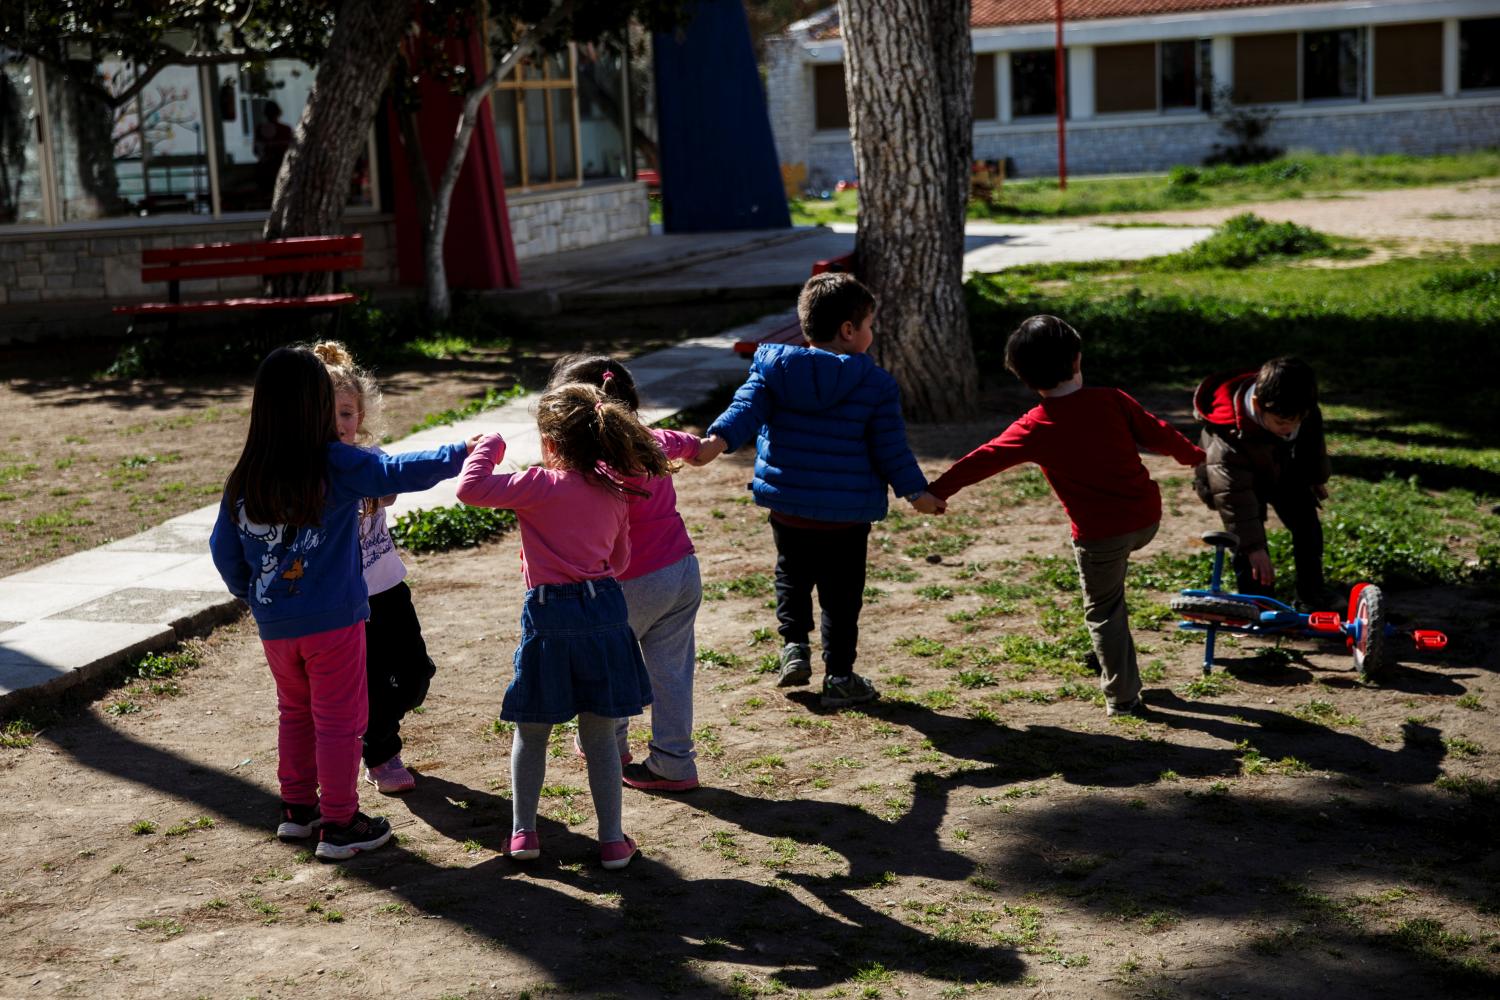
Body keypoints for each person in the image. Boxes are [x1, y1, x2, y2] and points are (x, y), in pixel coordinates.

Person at [209, 347, 473, 860]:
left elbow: (223, 549)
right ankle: (341, 823)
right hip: (334, 623)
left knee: (295, 713)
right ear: (313, 406)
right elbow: (397, 471)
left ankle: (298, 812)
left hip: (275, 623)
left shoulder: (245, 474)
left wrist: (253, 594)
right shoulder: (334, 461)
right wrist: (462, 451)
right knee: (339, 721)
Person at [926, 315, 1205, 717]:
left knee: (1105, 610)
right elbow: (1160, 433)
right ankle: (1117, 667)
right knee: (1113, 596)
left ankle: (1123, 697)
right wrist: (1194, 456)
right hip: (1146, 519)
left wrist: (937, 492)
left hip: (1100, 536)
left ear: (1021, 376)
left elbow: (982, 459)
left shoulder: (1034, 427)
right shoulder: (1113, 399)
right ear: (1077, 360)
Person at [455, 383, 671, 869]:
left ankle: (524, 835)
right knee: (600, 735)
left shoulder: (537, 484)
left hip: (551, 615)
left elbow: (470, 489)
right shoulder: (615, 490)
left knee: (532, 733)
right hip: (605, 613)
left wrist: (488, 444)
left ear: (550, 444)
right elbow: (619, 559)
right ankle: (613, 841)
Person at [703, 272, 943, 710]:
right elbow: (891, 450)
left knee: (791, 576)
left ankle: (794, 646)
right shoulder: (875, 385)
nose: (871, 333)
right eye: (869, 324)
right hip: (846, 515)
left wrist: (715, 442)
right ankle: (840, 675)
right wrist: (917, 494)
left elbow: (744, 410)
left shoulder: (773, 370)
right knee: (842, 594)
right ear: (849, 331)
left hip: (790, 505)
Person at [547, 356, 721, 792]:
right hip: (681, 572)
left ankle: (612, 746)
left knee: (610, 666)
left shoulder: (585, 470)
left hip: (626, 583)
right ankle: (674, 762)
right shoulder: (653, 440)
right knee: (672, 672)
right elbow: (699, 450)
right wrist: (728, 429)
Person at [313, 342, 432, 795]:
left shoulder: (369, 459)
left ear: (359, 418)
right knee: (371, 684)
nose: (338, 424)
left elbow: (389, 489)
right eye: (327, 416)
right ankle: (381, 753)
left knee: (416, 675)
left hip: (388, 589)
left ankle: (375, 724)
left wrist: (366, 485)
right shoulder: (309, 472)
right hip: (345, 603)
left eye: (346, 414)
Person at [1192, 355, 1331, 608]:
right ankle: (1257, 602)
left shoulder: (1300, 409)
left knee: (1308, 527)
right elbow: (1235, 499)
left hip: (1283, 470)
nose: (1290, 428)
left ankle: (1312, 595)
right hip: (1236, 485)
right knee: (1249, 547)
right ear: (1257, 405)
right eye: (1281, 423)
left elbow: (1312, 446)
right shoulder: (1228, 436)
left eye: (1297, 422)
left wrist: (1314, 477)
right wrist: (1254, 547)